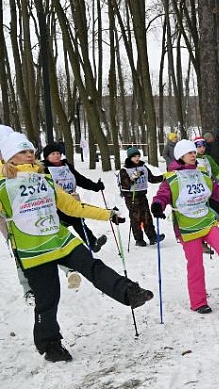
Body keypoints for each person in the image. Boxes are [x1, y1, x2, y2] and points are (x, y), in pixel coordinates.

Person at [1, 132, 153, 362]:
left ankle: (129, 292)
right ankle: (51, 345)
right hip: (33, 249)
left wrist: (107, 214)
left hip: (60, 238)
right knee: (48, 298)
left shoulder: (46, 179)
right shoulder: (3, 183)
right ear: (9, 157)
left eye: (31, 150)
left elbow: (72, 207)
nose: (29, 154)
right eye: (22, 152)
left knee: (92, 265)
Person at [151, 140, 219, 314]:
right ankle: (198, 302)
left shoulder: (202, 173)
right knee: (195, 265)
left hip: (207, 221)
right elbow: (162, 196)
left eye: (194, 152)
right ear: (180, 155)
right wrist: (158, 205)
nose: (193, 155)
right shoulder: (171, 177)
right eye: (189, 153)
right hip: (187, 228)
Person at [41, 143, 108, 252]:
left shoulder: (67, 166)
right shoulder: (43, 169)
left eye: (58, 153)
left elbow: (80, 179)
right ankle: (56, 250)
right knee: (57, 228)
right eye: (53, 154)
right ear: (47, 156)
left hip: (71, 200)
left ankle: (93, 243)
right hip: (54, 204)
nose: (57, 156)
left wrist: (95, 186)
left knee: (79, 222)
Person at [120, 147, 165, 247]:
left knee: (147, 216)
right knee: (136, 218)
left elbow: (151, 178)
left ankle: (152, 237)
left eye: (138, 156)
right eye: (134, 156)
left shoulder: (143, 167)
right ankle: (139, 239)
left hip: (142, 195)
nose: (137, 158)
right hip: (131, 197)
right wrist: (132, 178)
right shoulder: (125, 169)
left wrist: (164, 177)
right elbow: (125, 184)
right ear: (130, 157)